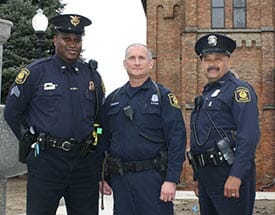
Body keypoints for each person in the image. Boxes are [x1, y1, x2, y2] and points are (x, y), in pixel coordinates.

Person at [4, 14, 105, 215]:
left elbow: (98, 115)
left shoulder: (91, 75)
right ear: (55, 40)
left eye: (77, 40)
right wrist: (30, 141)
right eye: (66, 39)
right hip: (47, 161)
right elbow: (12, 112)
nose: (72, 44)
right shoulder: (35, 73)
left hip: (83, 163)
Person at [100, 43, 186, 215]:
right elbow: (104, 139)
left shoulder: (163, 96)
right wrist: (102, 177)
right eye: (132, 58)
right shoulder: (113, 99)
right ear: (125, 64)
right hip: (121, 179)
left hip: (153, 178)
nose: (137, 62)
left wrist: (171, 179)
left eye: (142, 58)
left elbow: (177, 139)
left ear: (150, 63)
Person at [187, 33, 260, 215]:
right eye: (207, 60)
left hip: (229, 174)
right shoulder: (204, 96)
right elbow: (201, 138)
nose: (212, 64)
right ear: (202, 63)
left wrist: (236, 175)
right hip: (207, 177)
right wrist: (198, 177)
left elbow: (248, 136)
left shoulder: (238, 90)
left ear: (227, 60)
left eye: (218, 59)